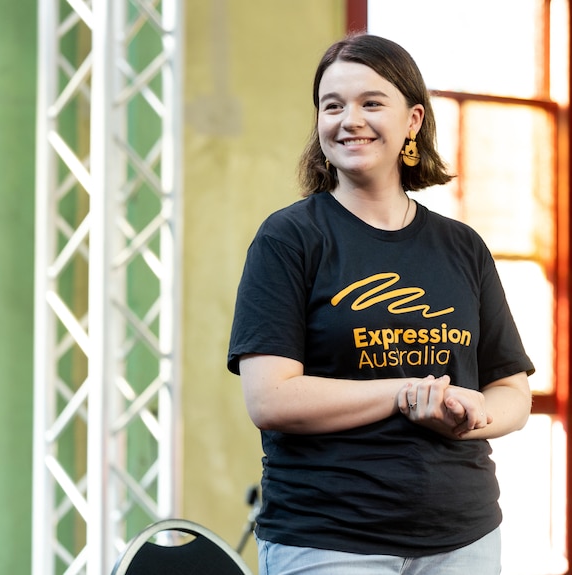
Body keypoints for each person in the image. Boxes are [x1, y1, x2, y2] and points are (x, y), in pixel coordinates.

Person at [227, 33, 534, 575]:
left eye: (371, 103)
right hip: (328, 539)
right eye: (332, 105)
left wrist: (465, 417)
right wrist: (402, 394)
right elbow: (269, 400)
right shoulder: (288, 240)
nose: (350, 120)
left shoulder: (462, 247)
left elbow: (511, 392)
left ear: (413, 120)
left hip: (465, 535)